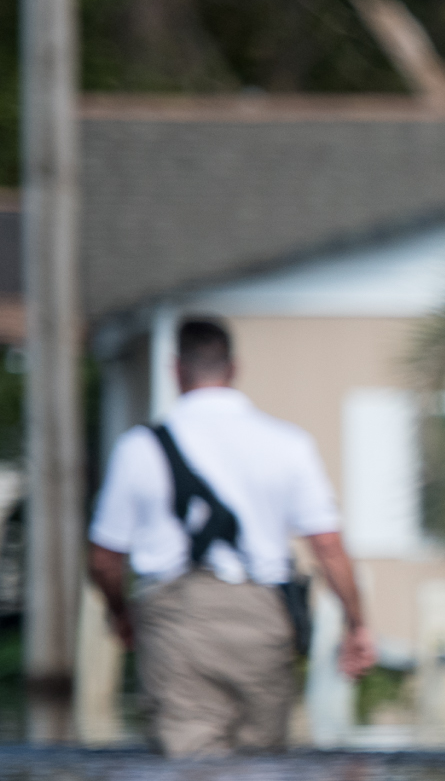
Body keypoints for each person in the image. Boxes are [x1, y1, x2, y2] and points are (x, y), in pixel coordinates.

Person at [87, 316, 377, 756]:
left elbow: (105, 558)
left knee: (189, 770)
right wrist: (357, 626)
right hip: (265, 615)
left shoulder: (139, 448)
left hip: (176, 617)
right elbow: (327, 547)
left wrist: (120, 614)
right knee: (263, 775)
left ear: (176, 369)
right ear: (233, 367)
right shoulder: (288, 443)